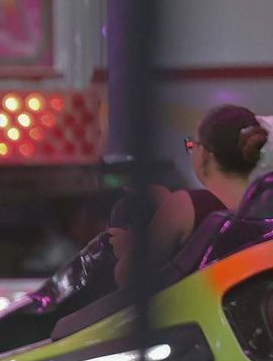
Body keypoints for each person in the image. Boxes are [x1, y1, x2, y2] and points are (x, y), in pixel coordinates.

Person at [112, 105, 271, 283]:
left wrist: (129, 247)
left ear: (204, 153)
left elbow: (128, 278)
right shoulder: (264, 205)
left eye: (191, 144)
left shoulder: (184, 205)